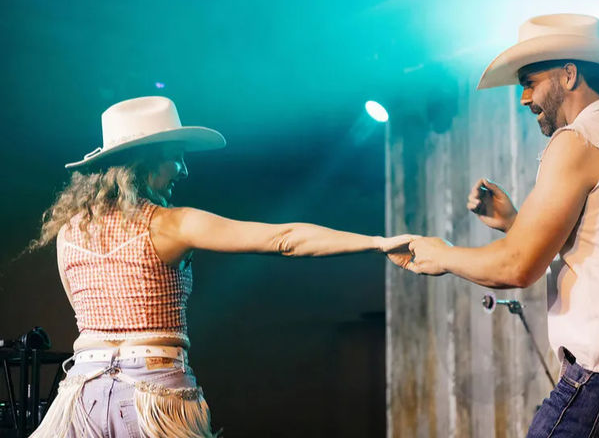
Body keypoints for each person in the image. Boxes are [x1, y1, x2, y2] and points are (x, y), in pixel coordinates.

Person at [397, 14, 599, 436]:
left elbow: (516, 268)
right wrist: (517, 223)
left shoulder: (578, 139)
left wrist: (439, 252)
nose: (523, 98)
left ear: (569, 74)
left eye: (530, 81)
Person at [29, 96, 415, 437]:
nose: (182, 169)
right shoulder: (169, 223)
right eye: (174, 156)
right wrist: (377, 242)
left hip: (83, 395)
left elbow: (84, 315)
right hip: (152, 397)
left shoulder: (68, 232)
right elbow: (284, 239)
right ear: (145, 162)